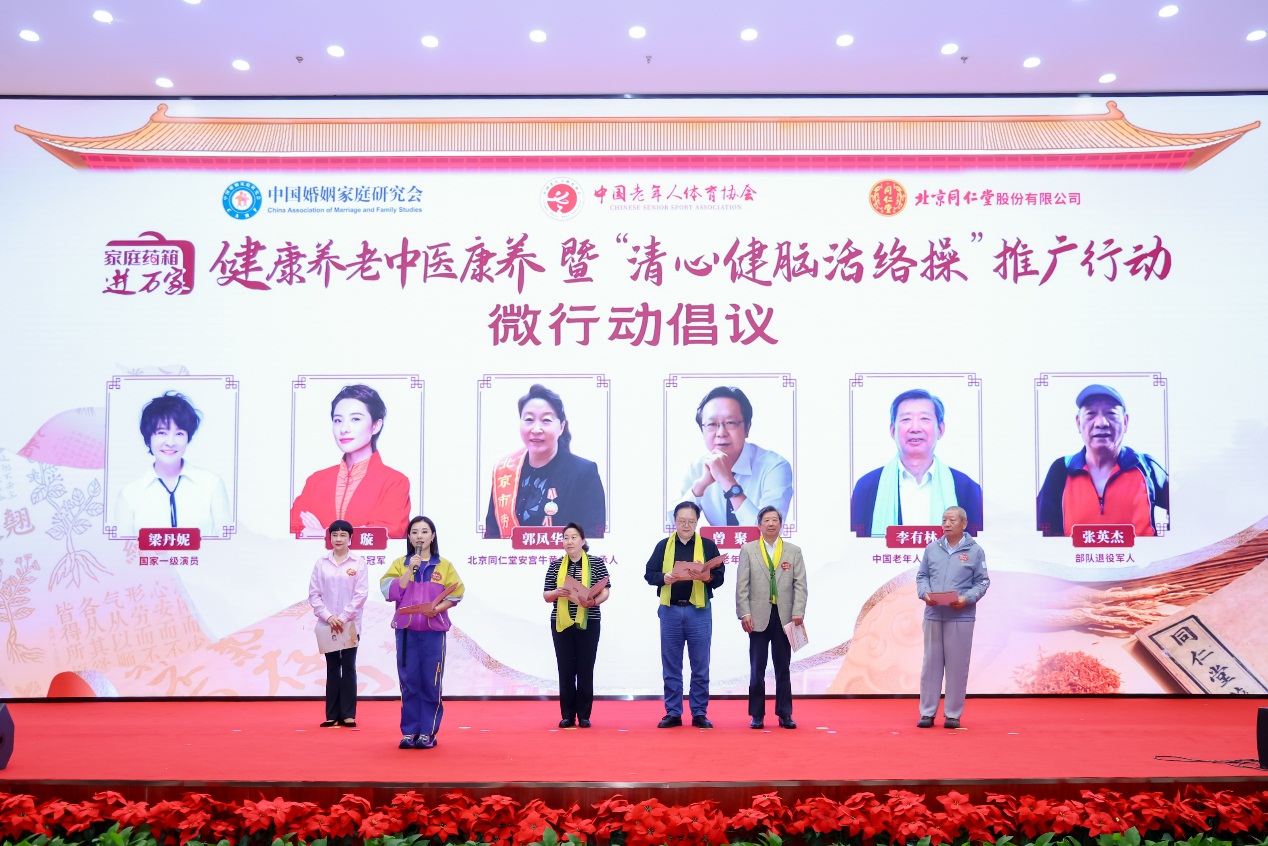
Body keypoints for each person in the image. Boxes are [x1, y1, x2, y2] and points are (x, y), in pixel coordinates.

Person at [1037, 384, 1169, 537]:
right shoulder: (1061, 470)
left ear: (1125, 422)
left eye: (1111, 414)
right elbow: (1043, 534)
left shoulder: (1146, 467)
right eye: (1091, 414)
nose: (1101, 423)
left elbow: (1185, 507)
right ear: (1078, 422)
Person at [380, 516, 465, 749]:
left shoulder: (444, 565)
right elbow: (389, 591)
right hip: (406, 632)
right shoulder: (400, 564)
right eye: (415, 532)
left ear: (433, 536)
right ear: (409, 537)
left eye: (425, 531)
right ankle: (409, 732)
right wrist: (409, 570)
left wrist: (436, 609)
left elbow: (456, 593)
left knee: (431, 681)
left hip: (433, 632)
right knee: (409, 682)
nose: (420, 536)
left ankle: (427, 732)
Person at [851, 388, 983, 538]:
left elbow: (980, 547)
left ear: (940, 430)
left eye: (924, 419)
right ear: (893, 431)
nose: (915, 428)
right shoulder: (866, 487)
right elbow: (853, 547)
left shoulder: (968, 489)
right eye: (906, 419)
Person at [485, 383, 606, 539]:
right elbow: (491, 536)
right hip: (508, 556)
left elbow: (593, 536)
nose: (536, 429)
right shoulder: (505, 472)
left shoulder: (584, 473)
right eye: (529, 419)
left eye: (546, 420)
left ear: (561, 427)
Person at [291, 384, 411, 539]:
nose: (343, 429)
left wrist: (323, 534)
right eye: (337, 420)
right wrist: (354, 534)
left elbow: (385, 532)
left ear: (375, 426)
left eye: (355, 419)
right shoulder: (316, 480)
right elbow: (292, 527)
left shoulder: (394, 482)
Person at [643, 501, 725, 728]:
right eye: (682, 521)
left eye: (690, 521)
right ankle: (673, 712)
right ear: (675, 521)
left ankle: (699, 712)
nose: (686, 525)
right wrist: (664, 578)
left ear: (697, 522)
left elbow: (719, 577)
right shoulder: (664, 546)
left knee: (700, 665)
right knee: (671, 665)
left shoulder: (707, 546)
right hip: (670, 610)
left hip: (699, 612)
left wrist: (706, 577)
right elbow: (649, 574)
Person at [114, 391, 231, 536]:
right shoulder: (129, 494)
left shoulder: (212, 484)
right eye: (162, 433)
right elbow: (123, 548)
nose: (170, 442)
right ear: (148, 438)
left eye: (179, 433)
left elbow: (226, 543)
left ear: (188, 438)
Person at [915, 506, 989, 729]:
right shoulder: (932, 549)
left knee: (957, 667)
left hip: (961, 616)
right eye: (944, 520)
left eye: (952, 520)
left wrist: (967, 598)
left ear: (964, 524)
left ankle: (953, 714)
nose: (946, 524)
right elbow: (922, 576)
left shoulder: (975, 551)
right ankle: (927, 713)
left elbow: (982, 582)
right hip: (933, 614)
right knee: (930, 666)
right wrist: (925, 594)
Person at [676, 386, 793, 527]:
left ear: (747, 428)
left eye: (730, 423)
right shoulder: (695, 469)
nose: (721, 433)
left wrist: (727, 481)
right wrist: (700, 487)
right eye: (712, 424)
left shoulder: (774, 466)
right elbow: (670, 527)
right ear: (702, 431)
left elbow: (770, 530)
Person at [735, 506, 807, 730]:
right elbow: (742, 585)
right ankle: (757, 714)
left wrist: (798, 611)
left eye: (775, 520)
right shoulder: (748, 550)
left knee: (783, 668)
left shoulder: (793, 551)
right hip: (757, 617)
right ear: (759, 525)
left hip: (785, 617)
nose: (771, 524)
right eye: (766, 520)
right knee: (757, 668)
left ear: (781, 524)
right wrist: (744, 613)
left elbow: (800, 584)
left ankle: (785, 714)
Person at [543, 522, 611, 728]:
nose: (569, 541)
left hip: (589, 621)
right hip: (561, 623)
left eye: (574, 537)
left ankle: (584, 715)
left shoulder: (596, 563)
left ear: (583, 541)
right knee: (565, 669)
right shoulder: (556, 566)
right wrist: (557, 592)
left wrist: (593, 602)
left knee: (585, 668)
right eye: (566, 538)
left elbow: (605, 590)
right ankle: (567, 715)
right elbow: (546, 595)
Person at [308, 519, 368, 728]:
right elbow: (314, 594)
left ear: (350, 538)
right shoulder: (321, 563)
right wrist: (328, 616)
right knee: (332, 667)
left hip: (349, 625)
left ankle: (348, 714)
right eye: (335, 535)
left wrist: (342, 617)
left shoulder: (358, 563)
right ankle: (332, 714)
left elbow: (361, 595)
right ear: (330, 538)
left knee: (349, 667)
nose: (338, 538)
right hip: (327, 625)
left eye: (343, 535)